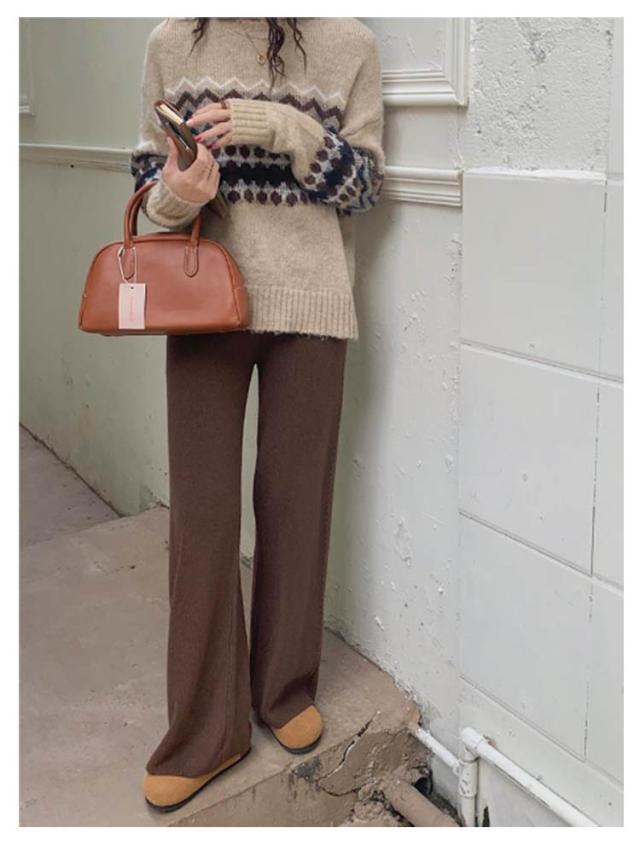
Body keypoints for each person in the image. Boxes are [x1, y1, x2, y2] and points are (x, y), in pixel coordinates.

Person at [129, 16, 385, 812]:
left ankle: (284, 688)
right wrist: (179, 192)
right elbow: (145, 197)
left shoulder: (349, 44)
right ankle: (206, 730)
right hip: (203, 303)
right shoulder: (172, 43)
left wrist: (280, 126)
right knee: (202, 516)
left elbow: (364, 188)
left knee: (294, 502)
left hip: (311, 307)